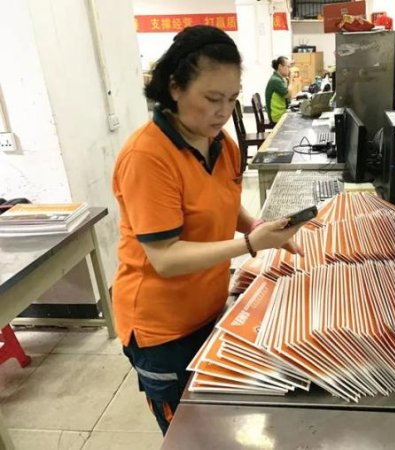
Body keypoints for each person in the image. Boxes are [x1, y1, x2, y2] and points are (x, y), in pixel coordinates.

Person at [111, 25, 303, 435]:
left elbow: (224, 202)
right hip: (162, 328)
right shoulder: (148, 157)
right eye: (212, 99)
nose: (223, 111)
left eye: (232, 99)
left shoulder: (222, 144)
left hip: (207, 307)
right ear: (175, 87)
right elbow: (165, 258)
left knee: (216, 421)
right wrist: (250, 243)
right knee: (187, 431)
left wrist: (258, 225)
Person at [265, 56, 292, 124]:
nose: (289, 70)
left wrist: (287, 82)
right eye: (288, 67)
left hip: (280, 113)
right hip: (276, 116)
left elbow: (289, 99)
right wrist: (291, 80)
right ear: (280, 67)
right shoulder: (276, 80)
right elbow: (288, 95)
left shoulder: (279, 78)